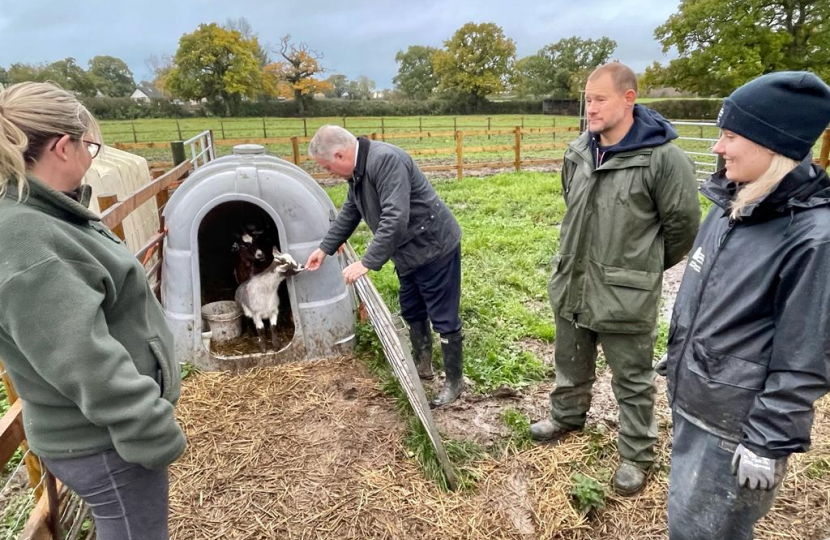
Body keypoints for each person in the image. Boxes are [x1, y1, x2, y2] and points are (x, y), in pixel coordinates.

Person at [0, 82, 186, 540]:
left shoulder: (48, 217)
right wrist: (148, 426)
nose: (91, 155)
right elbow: (83, 357)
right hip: (107, 443)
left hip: (103, 435)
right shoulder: (30, 242)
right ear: (64, 147)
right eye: (90, 145)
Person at [664, 71, 830, 539]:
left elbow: (807, 354)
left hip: (735, 427)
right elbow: (706, 296)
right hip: (697, 397)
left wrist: (769, 441)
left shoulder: (813, 238)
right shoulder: (731, 204)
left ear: (772, 144)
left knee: (707, 532)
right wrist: (680, 350)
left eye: (731, 135)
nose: (717, 147)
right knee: (687, 521)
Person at [529, 62, 701, 495]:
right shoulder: (578, 152)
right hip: (573, 280)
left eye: (599, 99)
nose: (590, 108)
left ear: (629, 99)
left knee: (632, 379)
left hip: (626, 292)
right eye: (587, 100)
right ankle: (567, 416)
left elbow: (682, 228)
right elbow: (575, 205)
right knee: (570, 362)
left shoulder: (664, 160)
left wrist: (639, 266)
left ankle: (637, 454)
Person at [305, 125, 464, 408]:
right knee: (412, 308)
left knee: (443, 316)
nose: (329, 173)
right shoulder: (358, 172)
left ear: (340, 155)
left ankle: (454, 383)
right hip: (406, 251)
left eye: (328, 167)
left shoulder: (387, 160)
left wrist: (367, 262)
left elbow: (395, 216)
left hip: (433, 246)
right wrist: (324, 248)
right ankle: (422, 363)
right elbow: (351, 211)